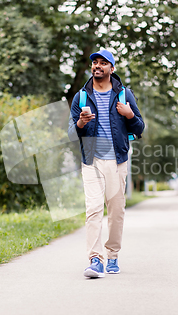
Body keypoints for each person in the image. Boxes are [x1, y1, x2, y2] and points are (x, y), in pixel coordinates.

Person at [68, 49, 145, 278]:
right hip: (91, 161)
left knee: (115, 211)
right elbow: (72, 134)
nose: (97, 66)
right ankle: (95, 259)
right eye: (95, 63)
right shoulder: (81, 96)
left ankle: (112, 256)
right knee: (93, 209)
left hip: (117, 160)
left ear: (112, 69)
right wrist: (81, 123)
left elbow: (140, 128)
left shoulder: (124, 95)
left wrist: (130, 115)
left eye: (103, 63)